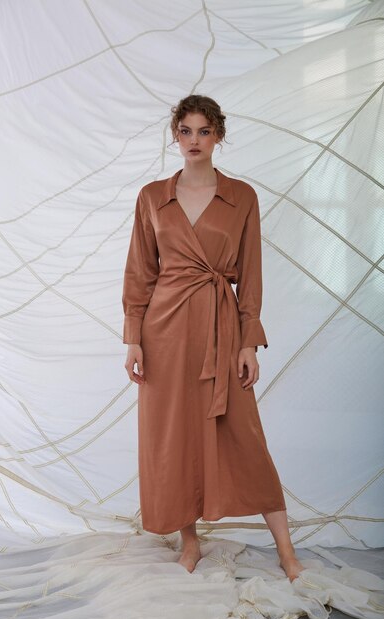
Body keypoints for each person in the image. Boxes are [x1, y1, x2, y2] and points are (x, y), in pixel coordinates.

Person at [122, 94, 305, 581]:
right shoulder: (151, 196)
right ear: (174, 135)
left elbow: (252, 275)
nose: (194, 140)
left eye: (205, 131)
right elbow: (139, 273)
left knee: (245, 435)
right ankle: (189, 542)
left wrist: (249, 342)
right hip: (163, 333)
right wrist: (133, 339)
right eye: (186, 131)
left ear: (219, 135)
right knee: (171, 437)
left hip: (222, 329)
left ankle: (287, 552)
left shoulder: (242, 196)